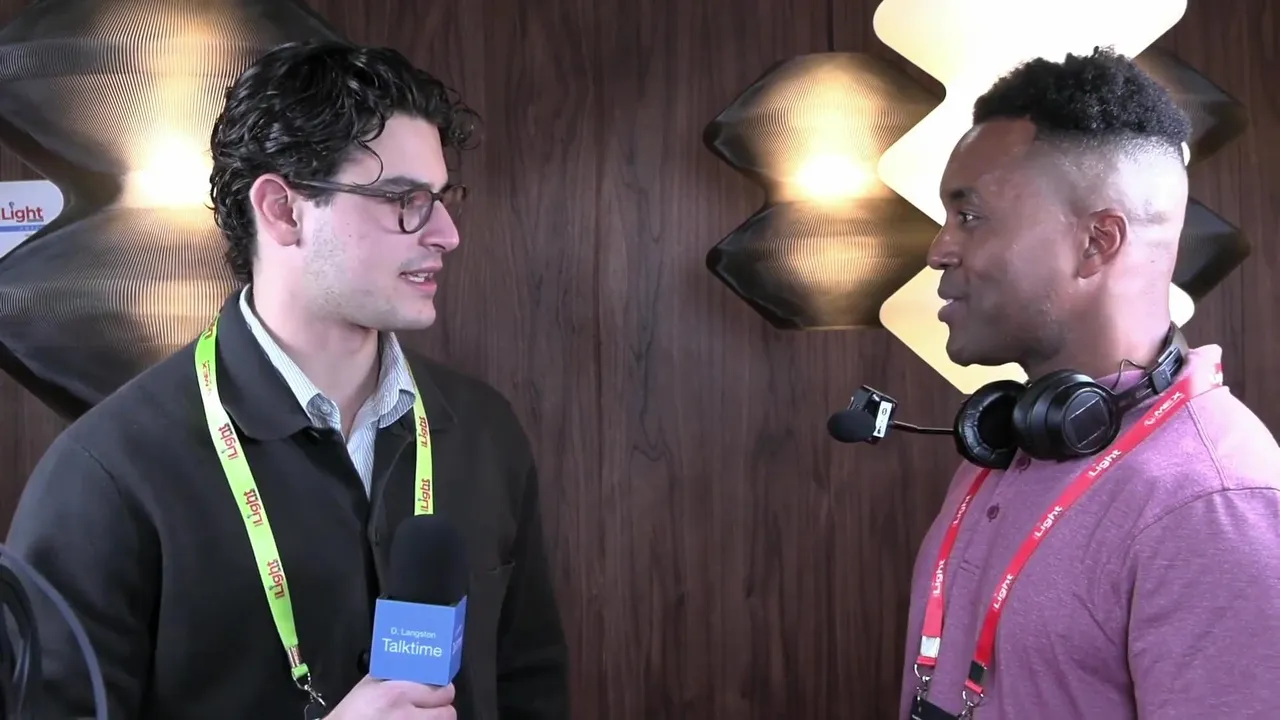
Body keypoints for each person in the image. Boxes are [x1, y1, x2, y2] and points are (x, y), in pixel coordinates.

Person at [6, 40, 569, 720]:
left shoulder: (484, 432)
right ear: (282, 210)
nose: (446, 233)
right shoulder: (108, 474)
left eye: (442, 198)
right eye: (404, 199)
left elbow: (530, 686)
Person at [899, 47, 1280, 720]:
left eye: (970, 217)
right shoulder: (1013, 441)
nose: (939, 250)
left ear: (1097, 242)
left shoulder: (1216, 505)